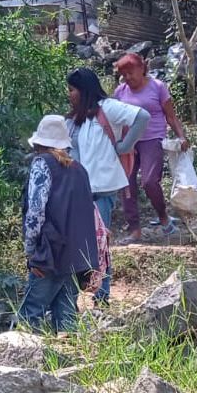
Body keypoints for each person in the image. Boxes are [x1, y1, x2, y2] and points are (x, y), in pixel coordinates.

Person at [64, 67, 146, 303]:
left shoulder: (108, 109)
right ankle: (81, 293)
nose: (69, 94)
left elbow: (142, 117)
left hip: (101, 191)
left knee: (99, 243)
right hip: (81, 192)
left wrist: (125, 146)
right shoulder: (78, 118)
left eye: (72, 90)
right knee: (84, 243)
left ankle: (102, 295)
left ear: (83, 91)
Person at [19, 115, 99, 332]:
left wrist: (31, 250)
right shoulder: (80, 170)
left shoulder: (42, 164)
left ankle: (23, 361)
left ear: (39, 143)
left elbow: (36, 211)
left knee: (30, 315)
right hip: (77, 255)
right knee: (66, 317)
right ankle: (70, 362)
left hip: (50, 252)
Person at [112, 53, 189, 241]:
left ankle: (163, 217)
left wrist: (181, 137)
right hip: (129, 142)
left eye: (131, 73)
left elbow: (171, 116)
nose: (128, 78)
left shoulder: (158, 87)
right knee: (126, 183)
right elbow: (115, 121)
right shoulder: (120, 92)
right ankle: (134, 229)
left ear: (142, 68)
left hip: (152, 138)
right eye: (124, 74)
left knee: (149, 181)